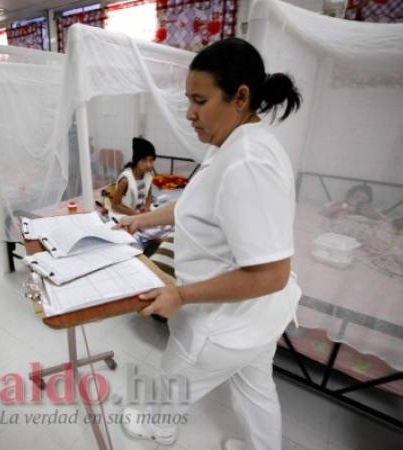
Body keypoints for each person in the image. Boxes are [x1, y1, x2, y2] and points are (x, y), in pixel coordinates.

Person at [117, 37, 302, 450]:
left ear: (240, 97)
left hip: (222, 324)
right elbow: (196, 205)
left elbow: (272, 274)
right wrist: (140, 220)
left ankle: (158, 429)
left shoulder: (247, 161)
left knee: (172, 383)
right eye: (188, 99)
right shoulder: (234, 144)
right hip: (259, 319)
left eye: (199, 100)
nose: (189, 113)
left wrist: (180, 294)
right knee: (256, 393)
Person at [109, 137, 156, 219]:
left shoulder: (149, 175)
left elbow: (149, 195)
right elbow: (115, 205)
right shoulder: (125, 180)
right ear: (136, 160)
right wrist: (135, 214)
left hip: (139, 211)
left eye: (151, 160)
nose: (149, 165)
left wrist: (147, 207)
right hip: (124, 212)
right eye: (144, 160)